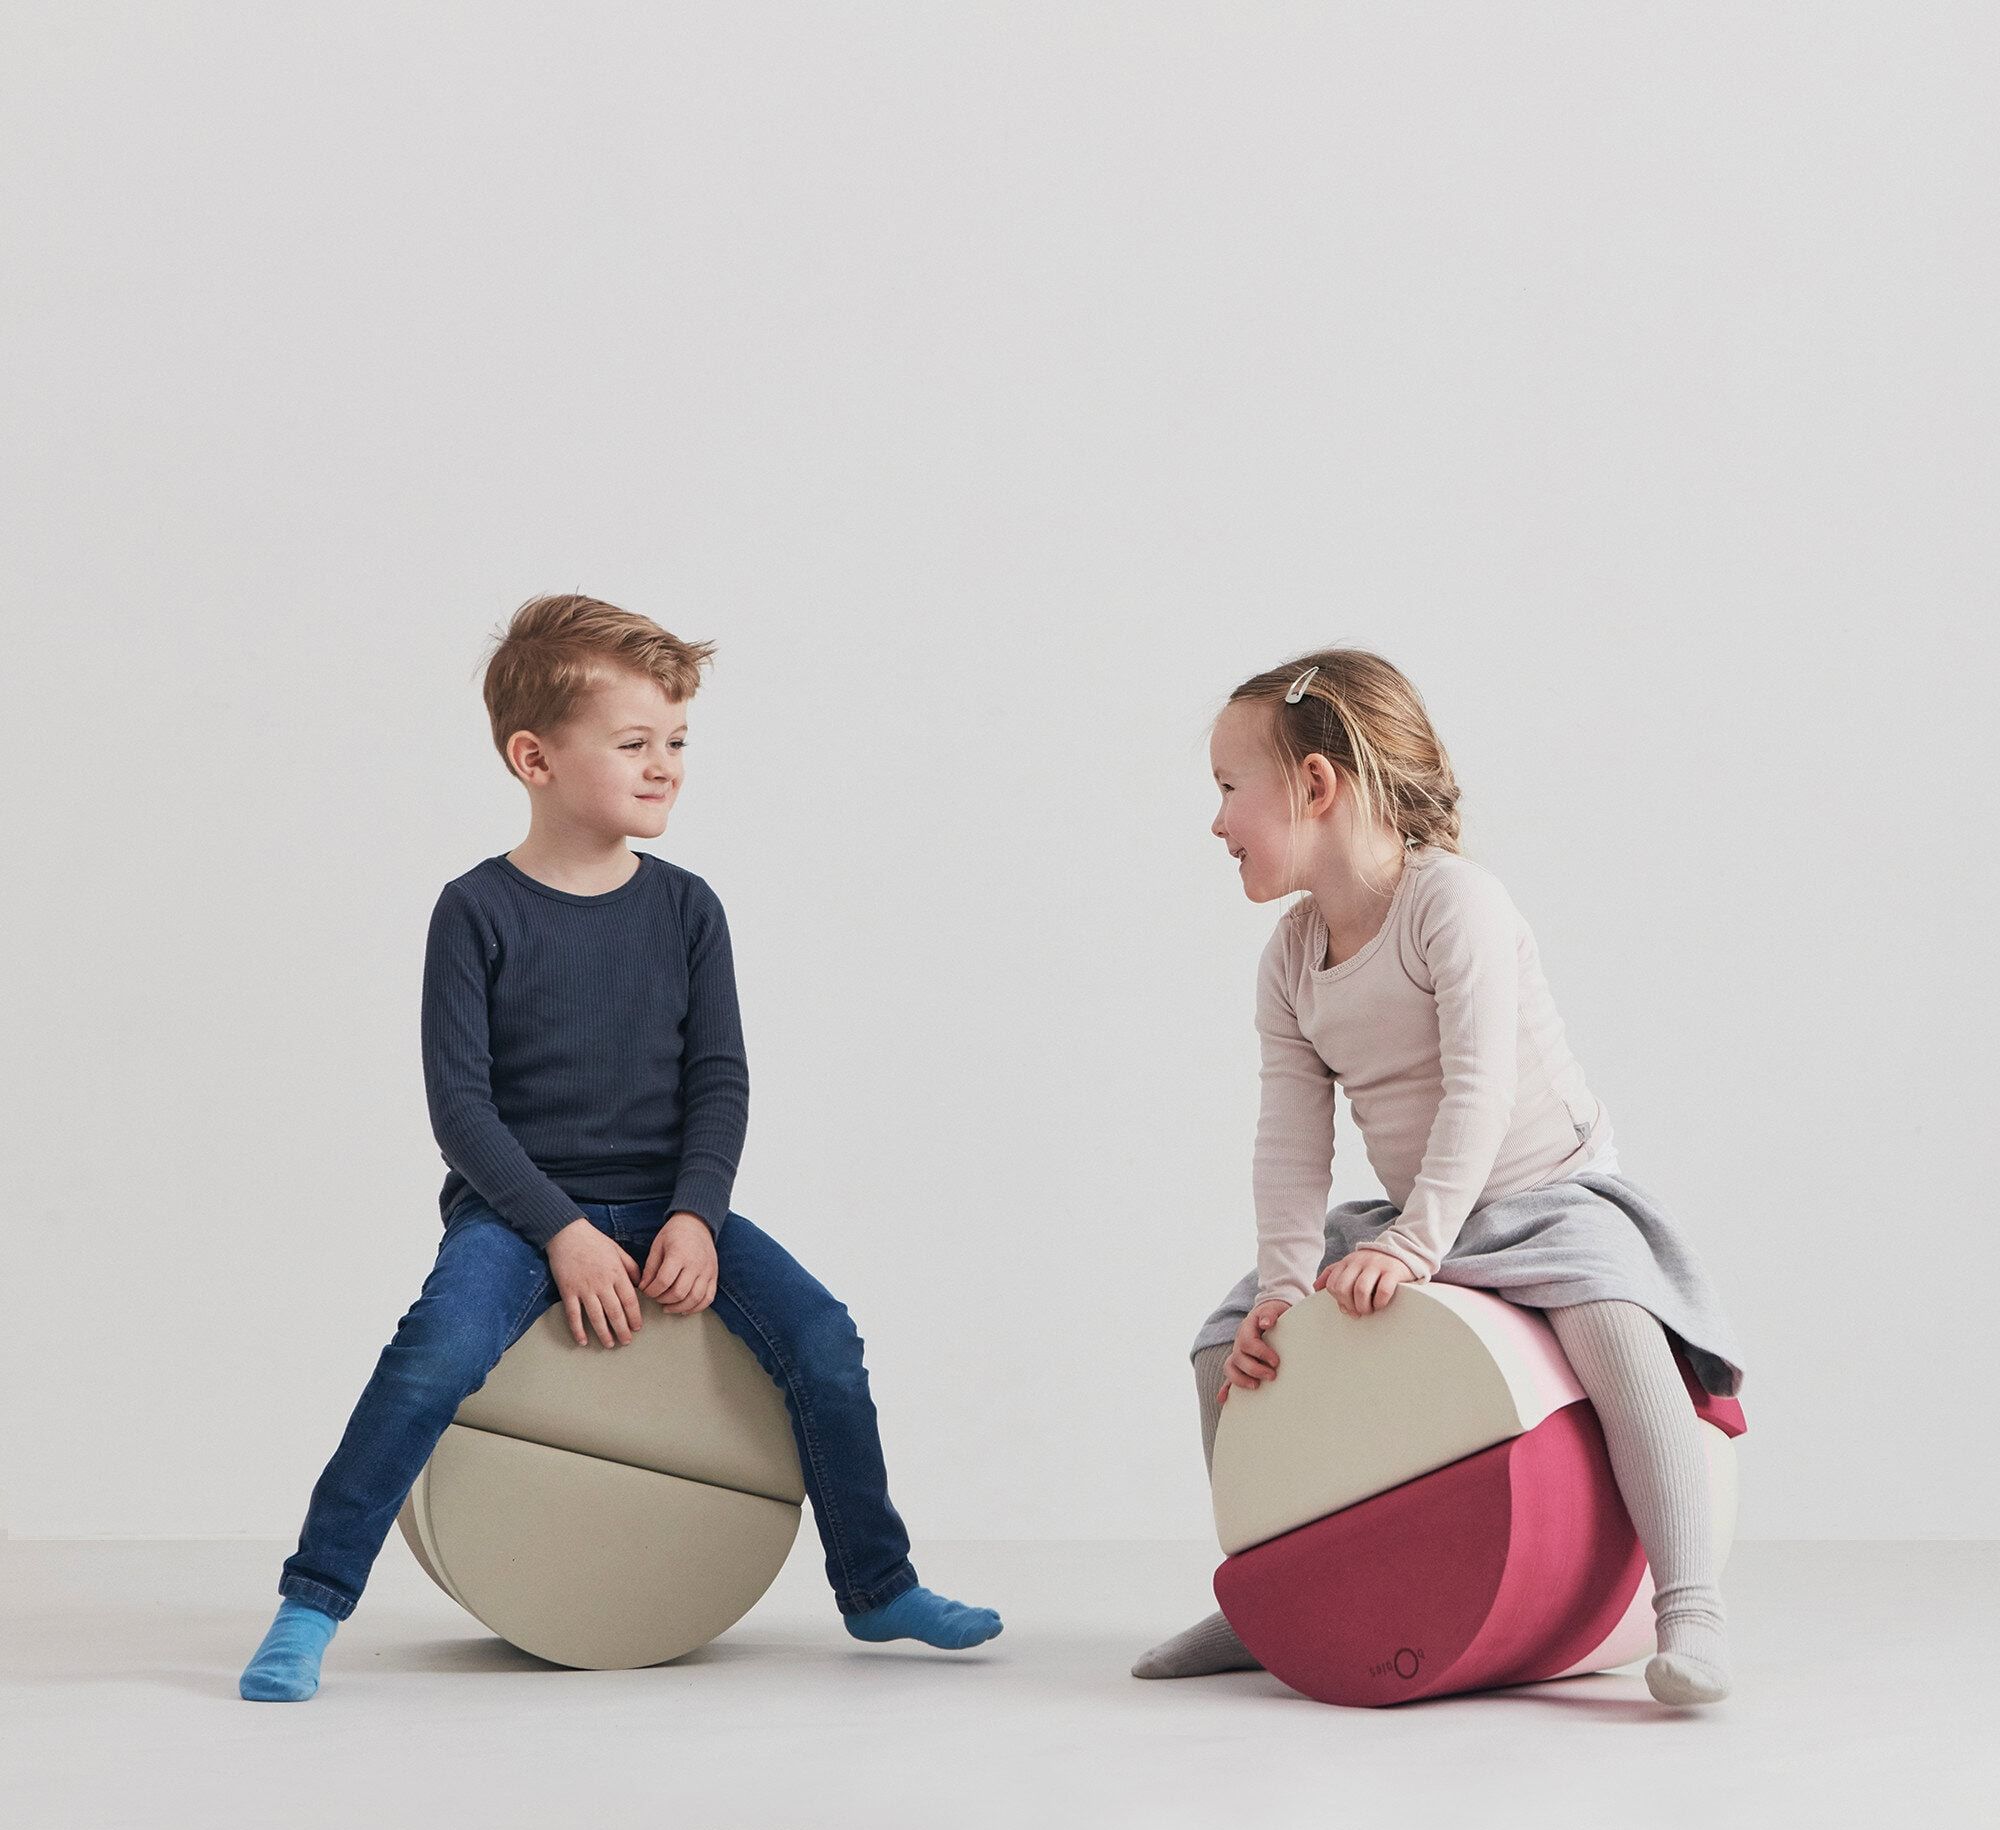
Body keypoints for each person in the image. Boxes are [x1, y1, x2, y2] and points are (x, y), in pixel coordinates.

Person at [241, 595, 1001, 1700]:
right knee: (433, 1356)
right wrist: (558, 1231)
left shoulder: (688, 910)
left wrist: (694, 1211)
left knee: (823, 1336)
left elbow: (718, 1080)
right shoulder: (476, 910)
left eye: (678, 742)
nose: (666, 768)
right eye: (635, 743)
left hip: (669, 1201)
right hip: (514, 1215)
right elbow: (460, 1108)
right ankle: (310, 1601)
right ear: (533, 756)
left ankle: (876, 1583)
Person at [1132, 651, 1742, 1707]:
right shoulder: (1289, 958)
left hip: (1541, 1190)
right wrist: (1282, 1286)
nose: (1216, 821)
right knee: (1219, 1347)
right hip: (1416, 1214)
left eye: (1230, 789)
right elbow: (1289, 1140)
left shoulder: (1452, 903)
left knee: (1610, 1322)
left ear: (1316, 786)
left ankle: (1689, 1601)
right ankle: (1259, 1592)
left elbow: (1478, 1092)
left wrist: (1411, 1244)